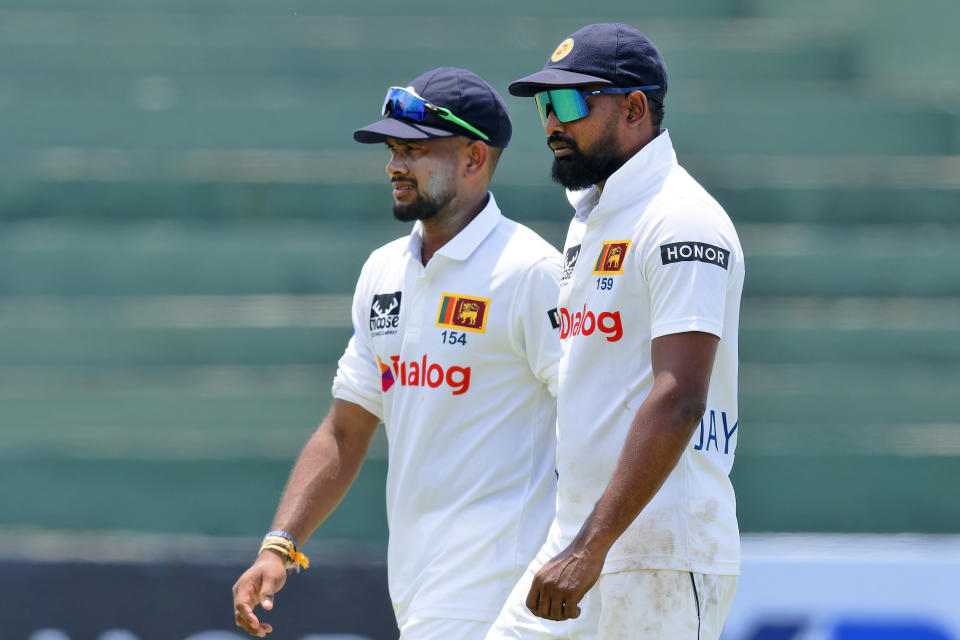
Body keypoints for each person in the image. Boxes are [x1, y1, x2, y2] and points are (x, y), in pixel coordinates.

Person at [232, 66, 563, 640]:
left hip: (507, 594)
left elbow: (594, 423)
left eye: (413, 149)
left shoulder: (531, 271)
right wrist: (279, 546)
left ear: (474, 158)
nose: (393, 165)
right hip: (417, 590)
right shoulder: (384, 270)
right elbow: (347, 429)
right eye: (391, 148)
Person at [487, 23, 744, 640]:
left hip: (660, 551)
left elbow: (679, 398)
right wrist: (578, 544)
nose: (550, 121)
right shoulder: (593, 219)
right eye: (545, 104)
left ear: (634, 108)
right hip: (579, 541)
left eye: (570, 102)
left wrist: (590, 549)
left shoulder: (681, 218)